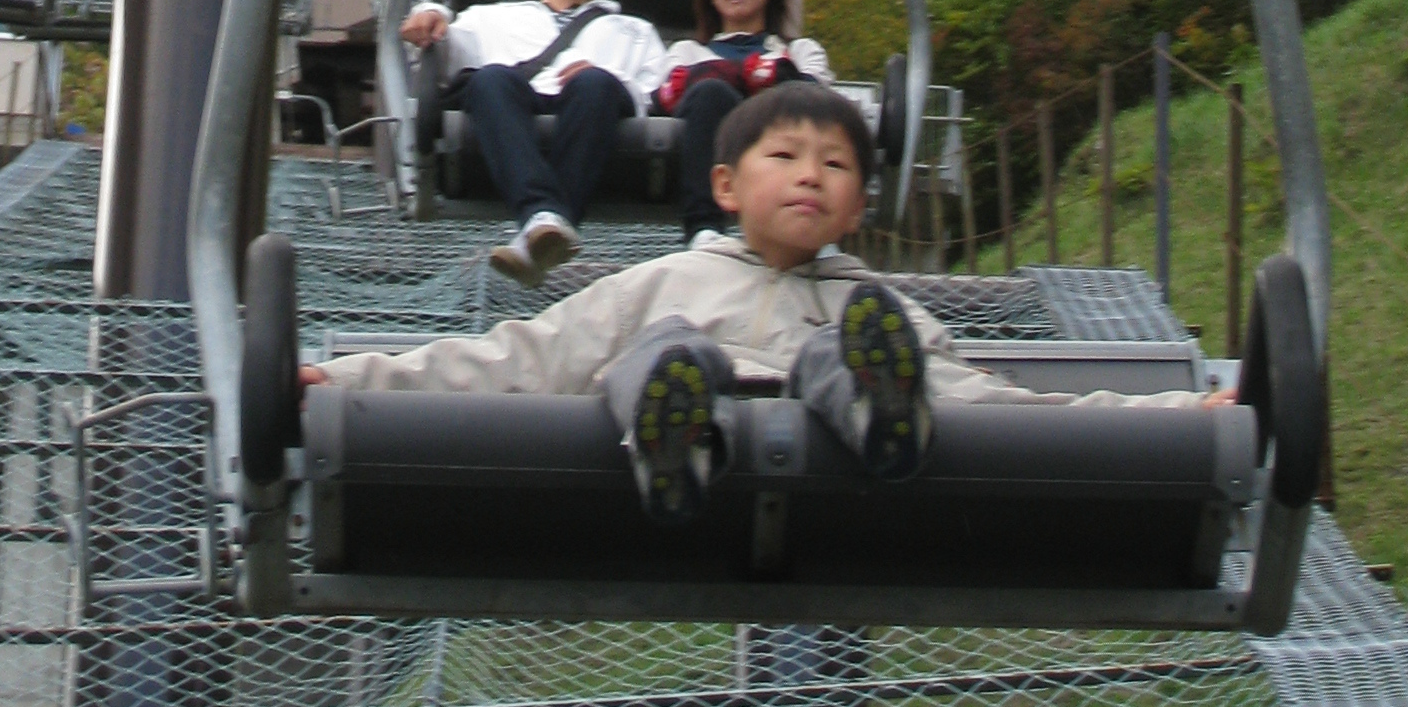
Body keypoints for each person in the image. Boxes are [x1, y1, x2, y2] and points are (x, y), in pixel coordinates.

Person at [308, 79, 1228, 523]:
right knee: (658, 347)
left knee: (851, 353)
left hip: (825, 447)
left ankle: (872, 409)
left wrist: (1187, 417)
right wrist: (347, 382)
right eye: (783, 159)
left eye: (835, 167)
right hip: (697, 417)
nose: (810, 179)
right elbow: (519, 360)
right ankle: (680, 430)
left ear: (860, 206)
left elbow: (1006, 407)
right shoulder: (667, 281)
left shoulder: (878, 308)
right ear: (726, 186)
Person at [401, 0, 667, 283]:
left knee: (594, 83)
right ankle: (546, 220)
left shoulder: (634, 31)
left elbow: (651, 92)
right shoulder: (494, 16)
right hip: (512, 104)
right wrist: (432, 14)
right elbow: (447, 52)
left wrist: (609, 78)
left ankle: (537, 219)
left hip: (595, 111)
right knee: (490, 78)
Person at [654, 0, 833, 241]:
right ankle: (704, 228)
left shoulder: (801, 52)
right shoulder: (686, 53)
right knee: (709, 91)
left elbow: (815, 103)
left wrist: (776, 74)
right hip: (705, 146)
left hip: (779, 148)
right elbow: (666, 100)